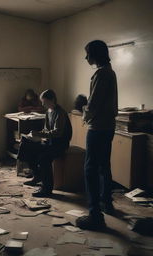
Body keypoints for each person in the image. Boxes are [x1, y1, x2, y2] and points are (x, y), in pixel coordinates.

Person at [76, 40, 118, 230]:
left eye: (87, 54)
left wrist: (82, 108)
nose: (86, 58)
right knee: (104, 165)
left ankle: (95, 215)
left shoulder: (102, 74)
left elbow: (92, 107)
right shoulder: (110, 72)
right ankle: (106, 202)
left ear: (95, 54)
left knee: (90, 169)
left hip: (98, 128)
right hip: (108, 126)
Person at [17, 89, 72, 197]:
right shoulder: (48, 112)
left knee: (44, 158)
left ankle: (47, 189)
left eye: (44, 102)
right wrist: (35, 134)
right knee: (27, 146)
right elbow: (46, 130)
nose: (42, 104)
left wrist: (40, 135)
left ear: (52, 100)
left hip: (60, 144)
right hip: (50, 142)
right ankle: (37, 176)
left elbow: (57, 133)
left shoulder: (60, 112)